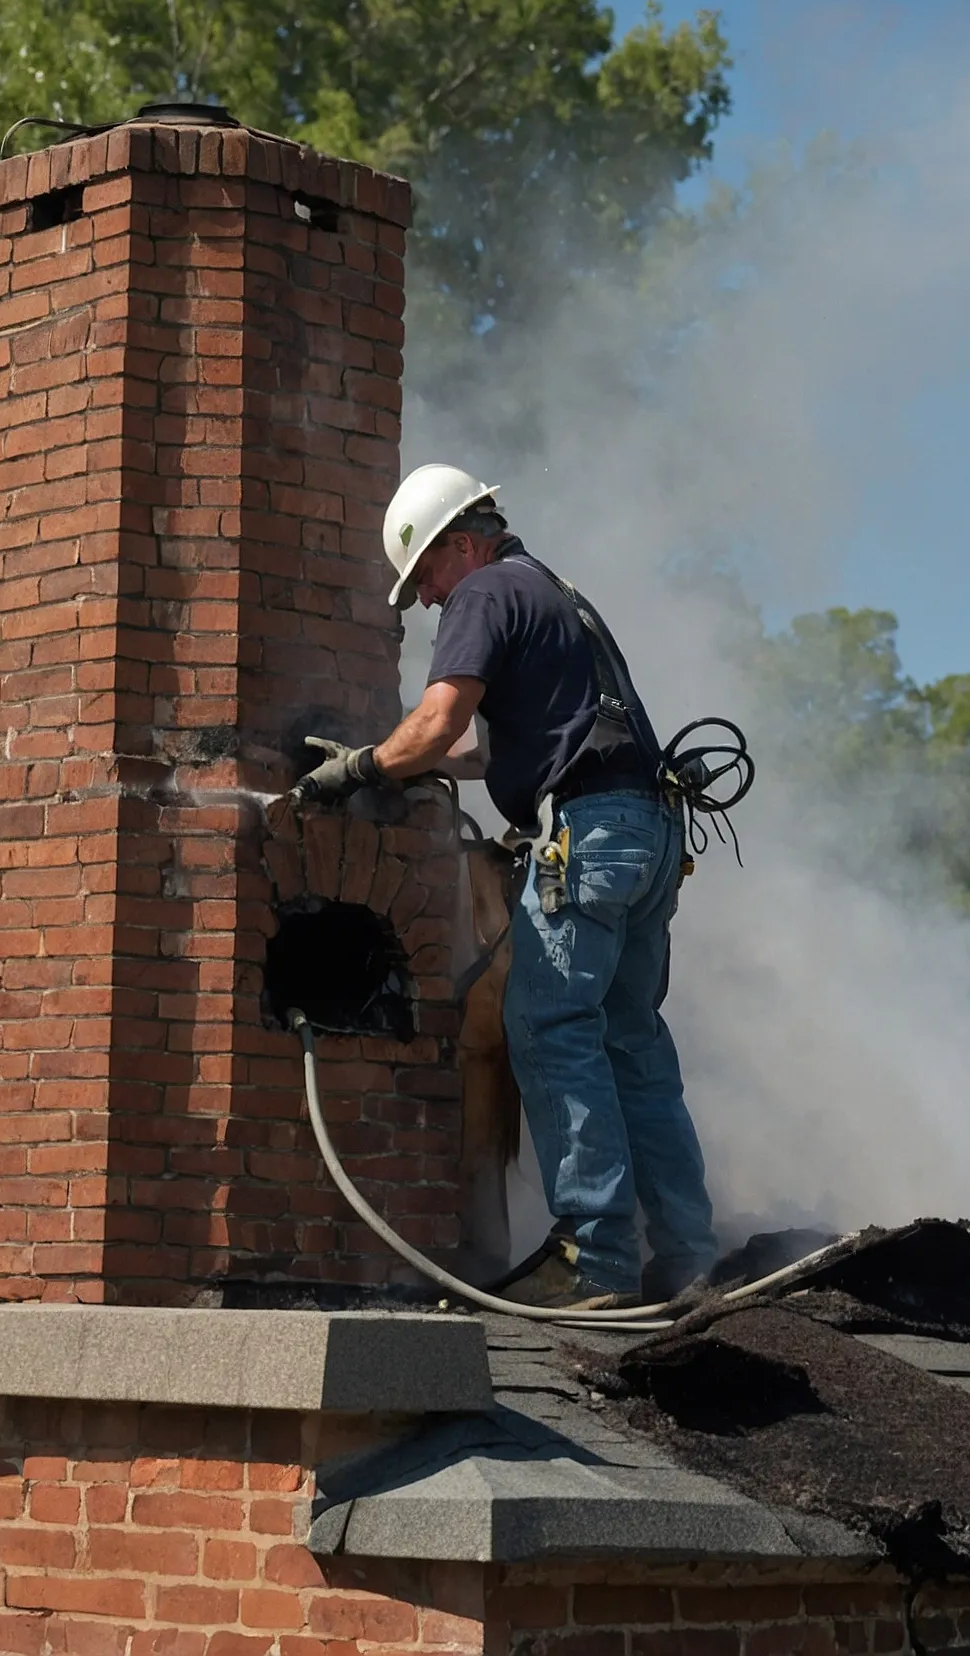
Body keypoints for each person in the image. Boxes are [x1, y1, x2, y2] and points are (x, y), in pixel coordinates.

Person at [293, 464, 717, 1310]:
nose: (424, 600)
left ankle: (595, 1257)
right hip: (649, 830)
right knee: (629, 1039)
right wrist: (404, 761)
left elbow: (441, 720)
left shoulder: (482, 593)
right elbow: (483, 750)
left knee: (549, 1024)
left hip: (587, 834)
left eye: (423, 576)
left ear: (460, 544)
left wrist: (361, 768)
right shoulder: (550, 590)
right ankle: (687, 1256)